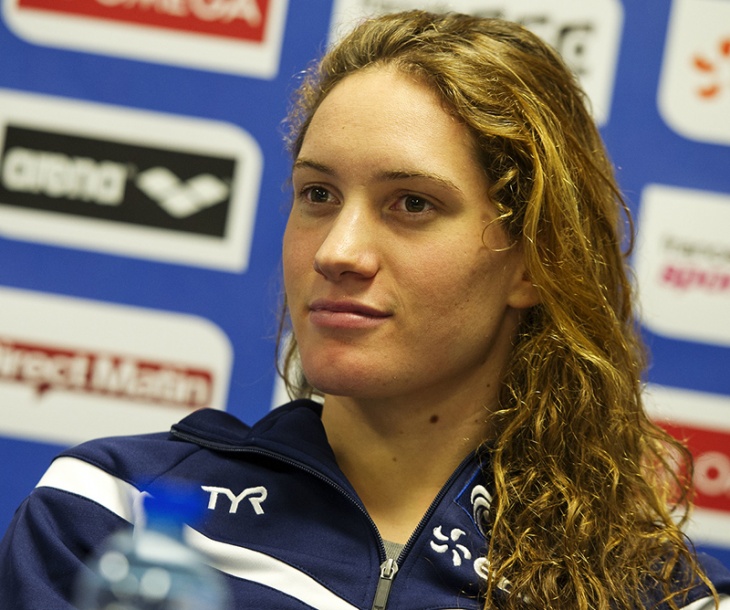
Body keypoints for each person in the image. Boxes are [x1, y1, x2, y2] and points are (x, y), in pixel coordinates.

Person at [1, 9, 729, 610]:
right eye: (318, 194)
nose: (338, 251)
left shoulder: (654, 598)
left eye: (411, 204)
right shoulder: (111, 516)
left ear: (533, 263)